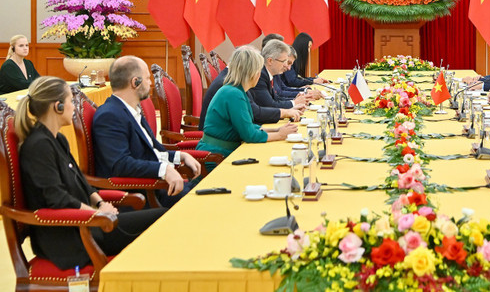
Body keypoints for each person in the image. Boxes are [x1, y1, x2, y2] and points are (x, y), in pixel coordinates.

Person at [16, 76, 166, 270]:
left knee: (165, 218)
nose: (73, 107)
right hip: (69, 238)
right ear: (58, 107)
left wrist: (101, 203)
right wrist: (96, 214)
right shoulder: (38, 146)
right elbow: (56, 198)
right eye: (70, 101)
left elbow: (81, 182)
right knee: (162, 224)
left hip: (87, 224)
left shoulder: (57, 139)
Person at [92, 56, 201, 207]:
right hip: (143, 194)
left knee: (211, 189)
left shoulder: (131, 109)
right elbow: (121, 164)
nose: (150, 83)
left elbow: (150, 151)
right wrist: (164, 170)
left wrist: (180, 155)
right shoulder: (110, 115)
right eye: (147, 78)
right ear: (135, 82)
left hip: (157, 186)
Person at [197, 46, 298, 157]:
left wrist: (277, 130)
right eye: (259, 70)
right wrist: (279, 135)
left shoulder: (238, 90)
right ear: (251, 72)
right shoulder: (233, 94)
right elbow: (249, 135)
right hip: (216, 156)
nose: (260, 75)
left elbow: (249, 126)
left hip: (224, 151)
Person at [249, 40, 307, 110]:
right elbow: (269, 104)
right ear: (270, 61)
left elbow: (276, 98)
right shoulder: (261, 75)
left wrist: (295, 101)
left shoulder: (269, 74)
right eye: (283, 61)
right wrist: (294, 103)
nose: (286, 65)